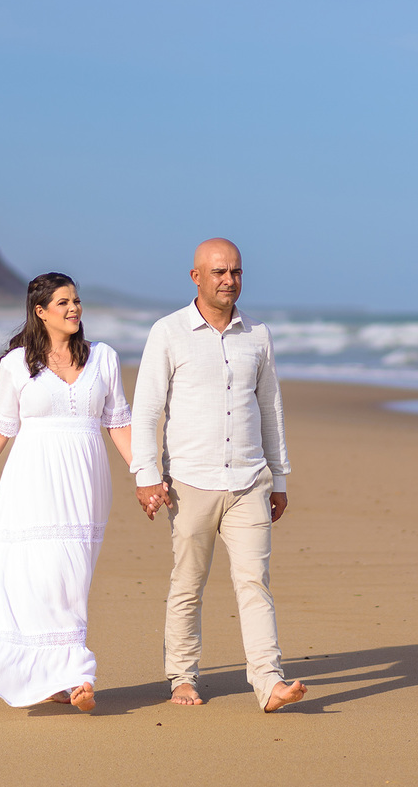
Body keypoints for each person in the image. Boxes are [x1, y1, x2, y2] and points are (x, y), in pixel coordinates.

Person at [0, 272, 134, 712]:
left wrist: (145, 474)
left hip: (85, 482)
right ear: (40, 311)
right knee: (44, 576)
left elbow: (118, 422)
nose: (74, 309)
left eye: (77, 301)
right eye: (63, 302)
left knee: (71, 576)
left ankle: (57, 676)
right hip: (31, 481)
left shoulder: (104, 358)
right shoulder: (16, 364)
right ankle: (76, 674)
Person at [129, 238, 308, 712]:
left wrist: (281, 478)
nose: (230, 281)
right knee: (189, 583)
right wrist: (147, 476)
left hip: (250, 481)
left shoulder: (259, 335)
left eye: (236, 272)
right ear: (196, 277)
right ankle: (182, 677)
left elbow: (270, 409)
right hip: (189, 483)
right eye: (219, 273)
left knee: (254, 583)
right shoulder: (168, 333)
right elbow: (147, 411)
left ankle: (268, 682)